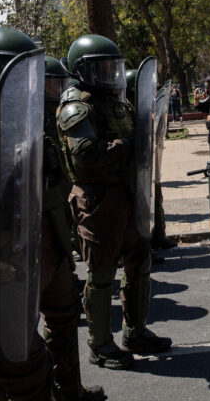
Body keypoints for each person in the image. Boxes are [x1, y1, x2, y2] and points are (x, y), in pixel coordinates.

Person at [0, 28, 104, 400]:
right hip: (10, 252)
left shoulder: (34, 121)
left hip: (50, 241)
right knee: (16, 342)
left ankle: (69, 389)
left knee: (63, 319)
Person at [57, 35, 171, 370]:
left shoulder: (117, 101)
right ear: (82, 70)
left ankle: (135, 331)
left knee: (139, 262)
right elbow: (88, 154)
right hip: (97, 199)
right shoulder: (77, 106)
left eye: (113, 66)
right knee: (102, 274)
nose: (111, 73)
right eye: (102, 67)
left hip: (126, 193)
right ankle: (101, 345)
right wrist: (129, 144)